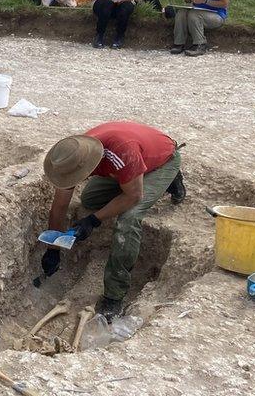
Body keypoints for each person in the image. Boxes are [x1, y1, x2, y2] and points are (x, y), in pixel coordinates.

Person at [41, 121, 186, 321]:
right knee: (90, 199)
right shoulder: (73, 156)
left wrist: (93, 220)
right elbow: (59, 206)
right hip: (131, 161)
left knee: (129, 218)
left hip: (162, 161)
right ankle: (133, 176)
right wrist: (52, 249)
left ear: (86, 165)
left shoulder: (119, 153)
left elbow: (134, 196)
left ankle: (114, 295)